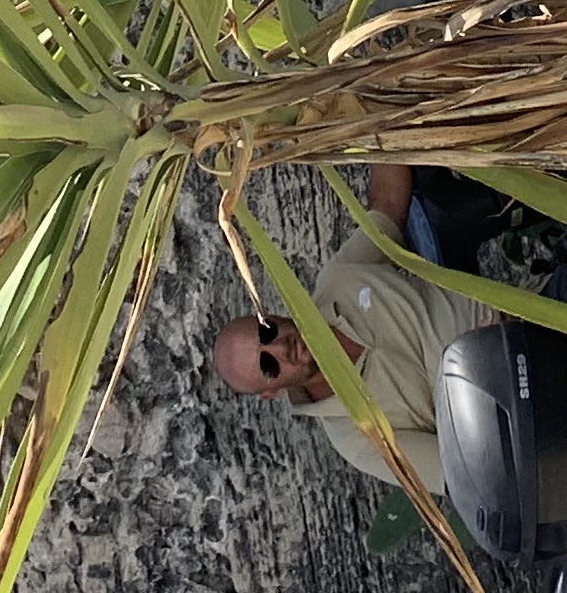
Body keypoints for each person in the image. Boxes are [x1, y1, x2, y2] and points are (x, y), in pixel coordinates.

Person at [210, 166, 491, 492]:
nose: (279, 348)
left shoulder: (339, 280)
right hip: (517, 386)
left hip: (533, 309)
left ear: (271, 314)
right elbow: (466, 476)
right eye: (268, 364)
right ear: (271, 393)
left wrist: (378, 126)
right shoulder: (358, 438)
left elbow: (385, 205)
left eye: (266, 331)